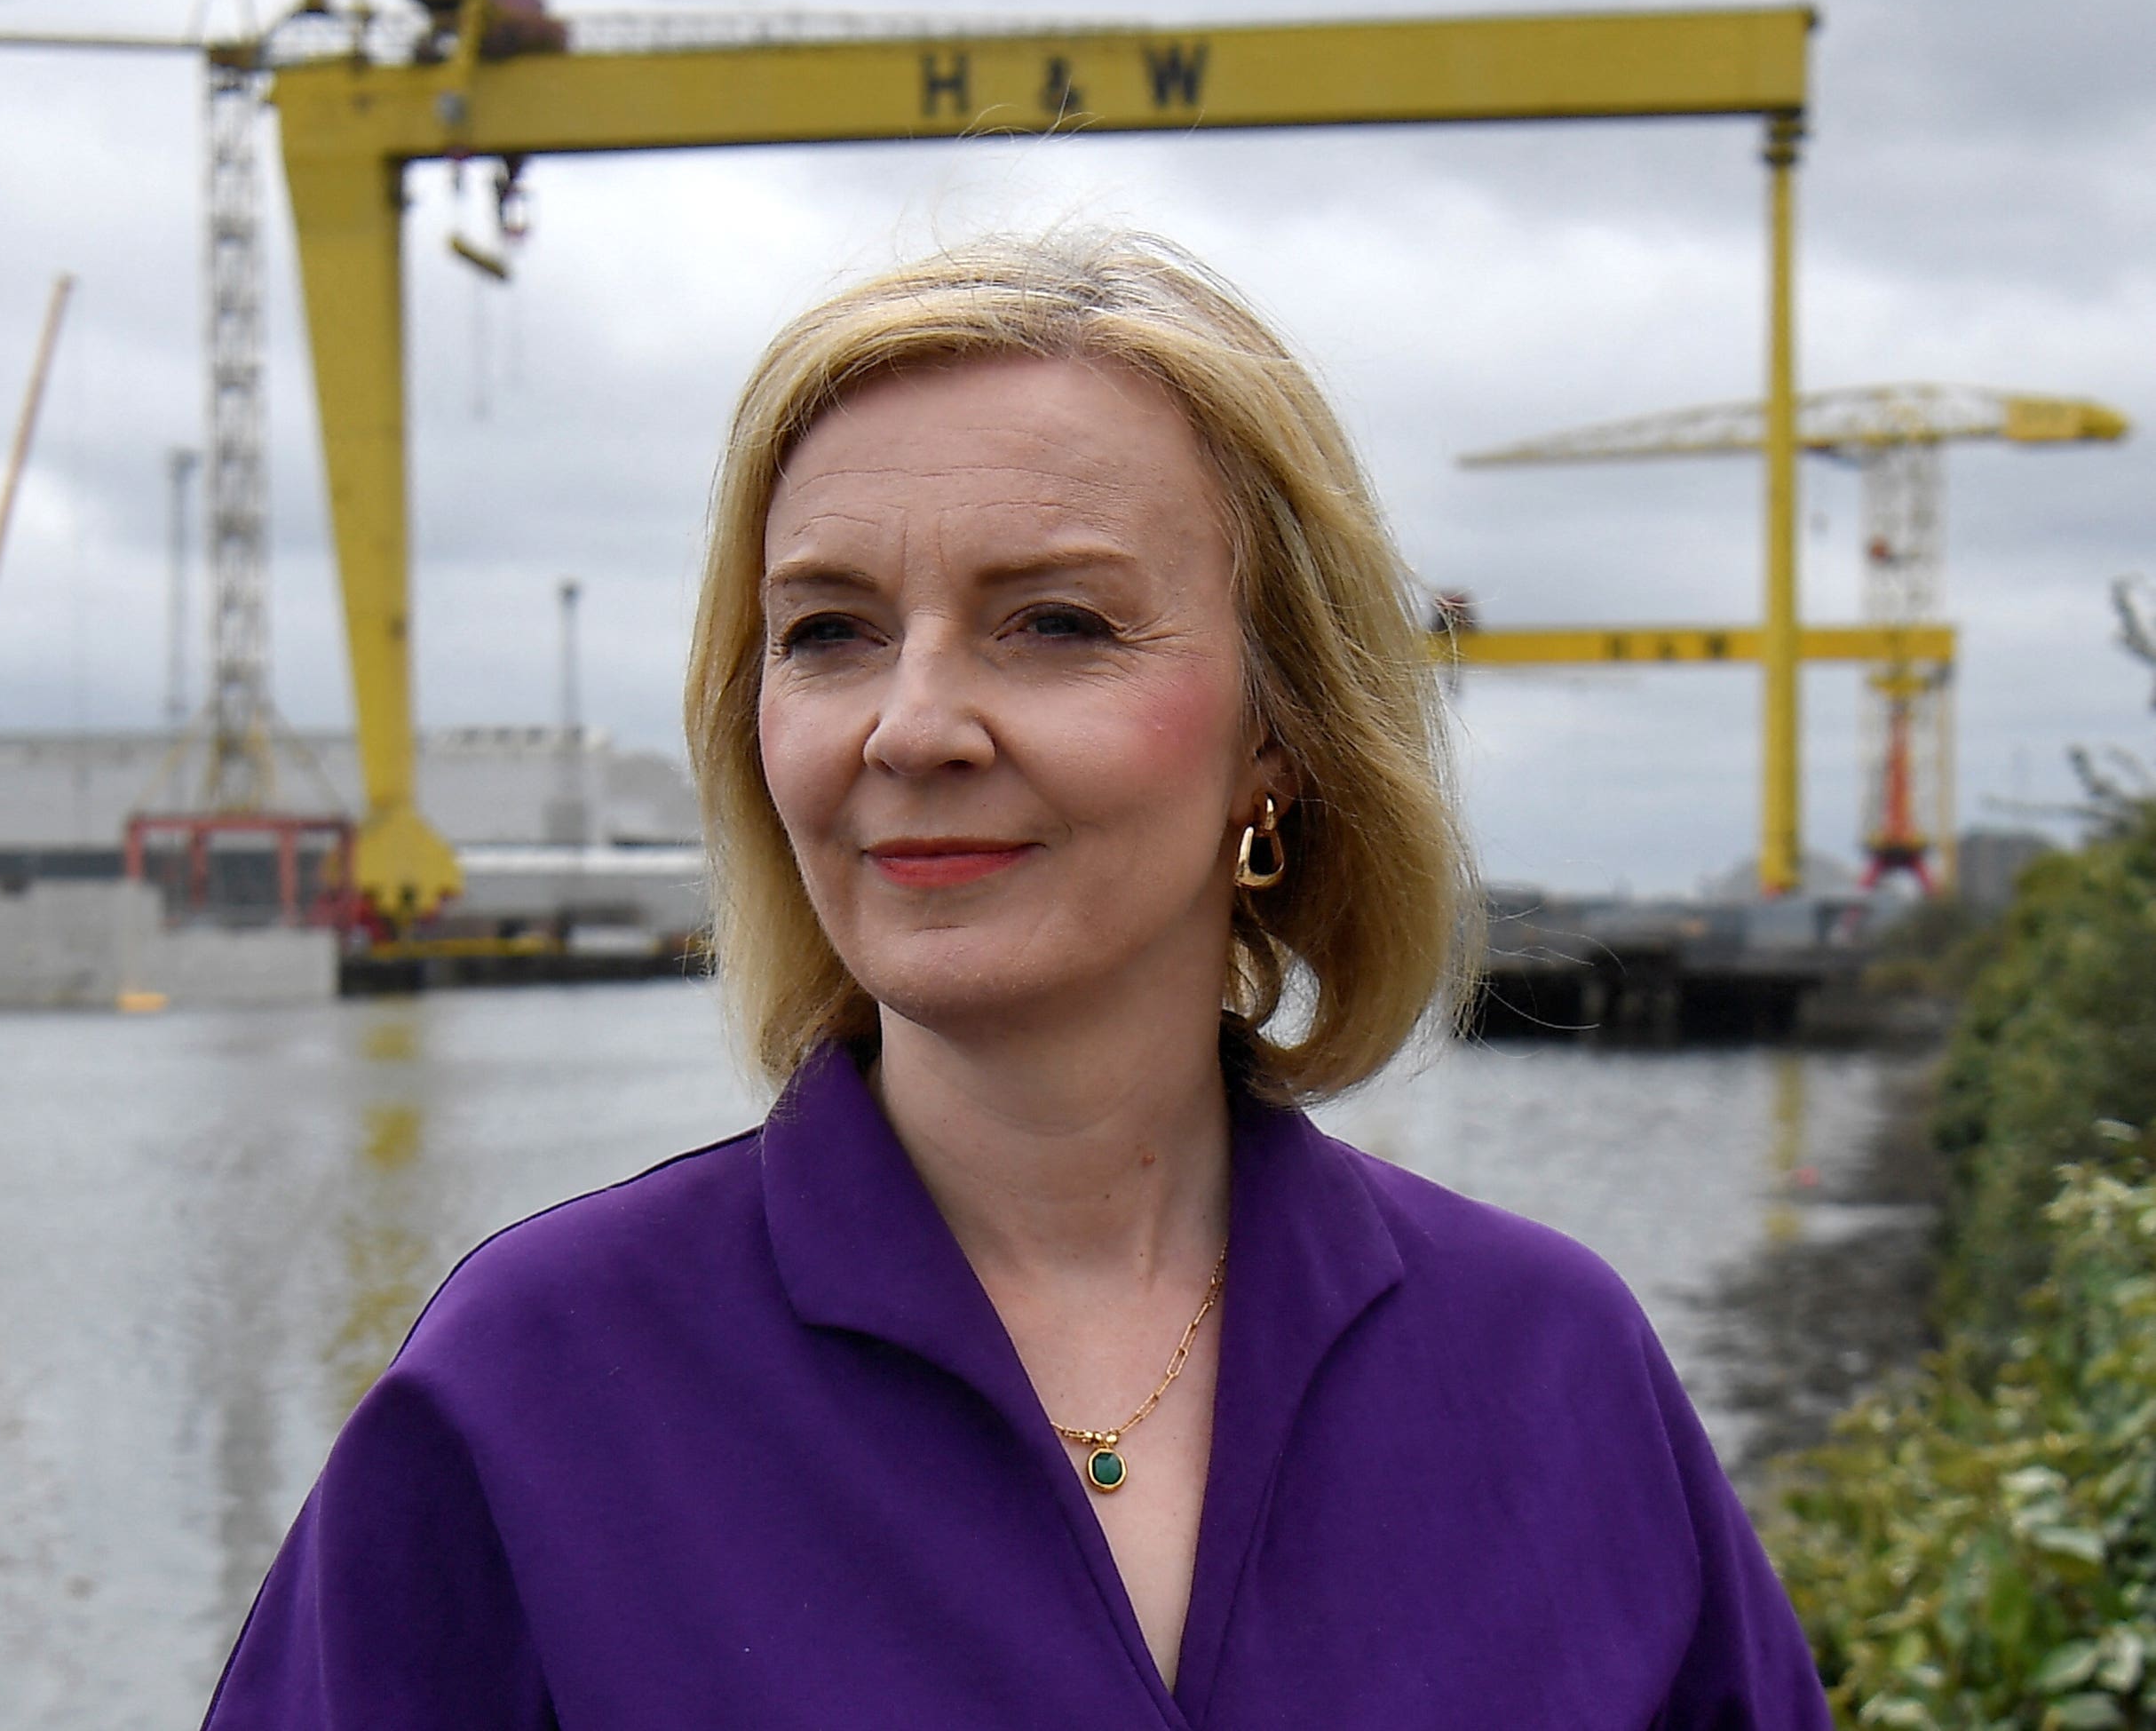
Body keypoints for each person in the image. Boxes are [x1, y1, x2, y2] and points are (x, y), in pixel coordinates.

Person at [202, 232, 1831, 1727]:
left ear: (1281, 731)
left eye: (1053, 623)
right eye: (828, 632)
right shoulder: (539, 1387)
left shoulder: (1550, 1367)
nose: (911, 727)